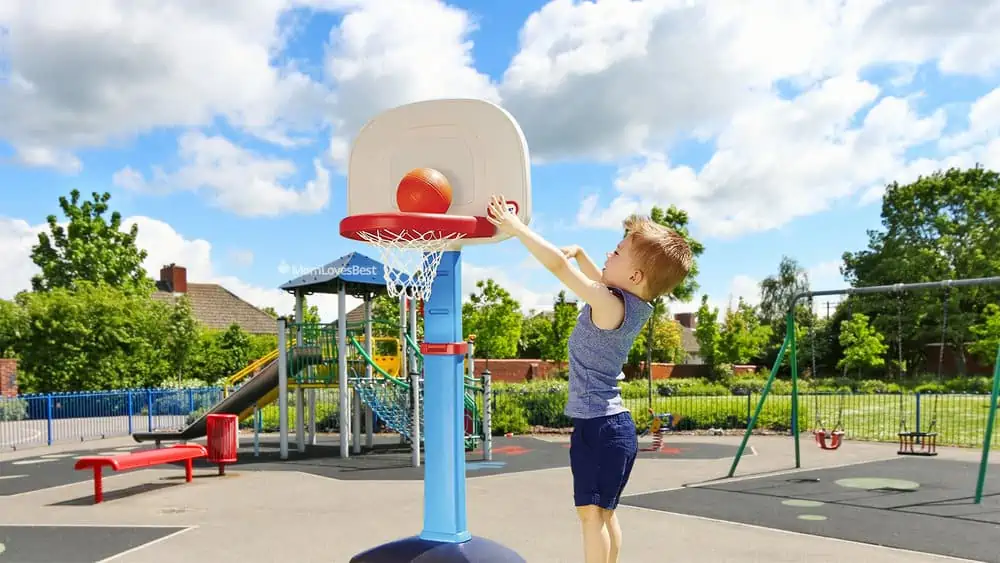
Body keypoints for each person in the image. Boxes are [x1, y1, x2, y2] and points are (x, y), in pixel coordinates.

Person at [485, 195, 693, 563]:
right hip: (612, 428)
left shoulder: (609, 304)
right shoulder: (633, 304)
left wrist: (518, 229)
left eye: (616, 252)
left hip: (599, 429)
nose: (608, 256)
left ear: (634, 276)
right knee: (604, 515)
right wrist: (582, 252)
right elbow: (601, 278)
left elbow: (558, 269)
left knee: (589, 517)